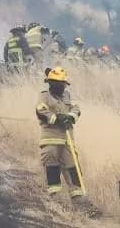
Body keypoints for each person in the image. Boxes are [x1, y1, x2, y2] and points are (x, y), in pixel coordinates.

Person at [35, 66, 99, 216]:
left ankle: (81, 205)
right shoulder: (43, 96)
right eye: (59, 84)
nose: (62, 87)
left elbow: (77, 109)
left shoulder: (68, 96)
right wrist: (57, 118)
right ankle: (57, 205)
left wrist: (70, 117)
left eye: (63, 84)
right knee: (53, 171)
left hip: (67, 142)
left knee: (73, 170)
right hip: (50, 141)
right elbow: (41, 111)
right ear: (51, 84)